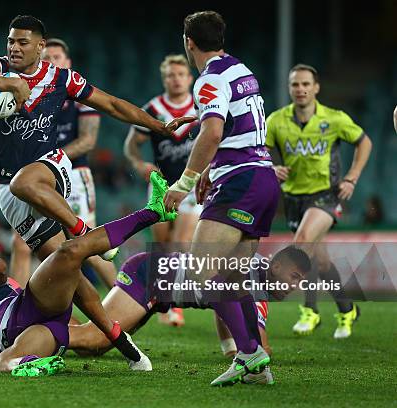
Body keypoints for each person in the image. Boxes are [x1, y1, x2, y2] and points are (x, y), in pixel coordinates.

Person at [0, 15, 189, 366]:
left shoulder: (60, 77)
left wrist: (158, 125)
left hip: (51, 168)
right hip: (10, 194)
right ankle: (126, 347)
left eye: (22, 42)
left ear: (40, 47)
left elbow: (110, 104)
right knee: (71, 272)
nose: (14, 48)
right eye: (11, 41)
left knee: (27, 183)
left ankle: (83, 229)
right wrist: (7, 85)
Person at [0, 172, 177, 375]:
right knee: (0, 365)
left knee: (67, 252)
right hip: (36, 334)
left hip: (34, 303)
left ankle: (151, 213)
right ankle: (37, 363)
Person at [162, 11, 279, 386]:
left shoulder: (208, 79)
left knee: (200, 270)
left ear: (188, 42)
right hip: (262, 178)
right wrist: (197, 123)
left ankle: (248, 351)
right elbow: (233, 120)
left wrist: (185, 180)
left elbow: (213, 133)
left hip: (239, 182)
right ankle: (256, 367)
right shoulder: (241, 70)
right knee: (233, 276)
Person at [68, 245, 313, 384]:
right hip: (150, 277)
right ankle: (37, 321)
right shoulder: (253, 280)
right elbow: (260, 348)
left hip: (160, 285)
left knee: (90, 348)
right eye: (294, 277)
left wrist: (230, 347)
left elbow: (223, 306)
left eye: (302, 281)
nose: (296, 286)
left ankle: (56, 319)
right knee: (95, 339)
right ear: (277, 266)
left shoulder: (256, 270)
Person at [265, 64, 372, 339]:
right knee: (320, 262)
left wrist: (352, 177)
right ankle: (347, 310)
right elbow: (260, 151)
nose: (300, 89)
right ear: (289, 88)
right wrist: (271, 167)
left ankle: (309, 310)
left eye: (305, 84)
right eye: (295, 85)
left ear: (316, 88)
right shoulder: (276, 120)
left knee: (302, 243)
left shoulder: (334, 119)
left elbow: (364, 142)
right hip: (293, 198)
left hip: (326, 195)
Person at [9, 37, 116, 288]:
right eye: (45, 58)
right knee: (21, 242)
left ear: (67, 63)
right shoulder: (30, 96)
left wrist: (49, 161)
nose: (50, 62)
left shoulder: (79, 96)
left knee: (87, 244)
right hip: (39, 179)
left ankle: (126, 295)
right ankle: (12, 307)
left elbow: (88, 140)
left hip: (73, 174)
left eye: (55, 58)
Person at [125, 54, 201, 327]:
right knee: (162, 245)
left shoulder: (201, 107)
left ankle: (174, 304)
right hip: (162, 185)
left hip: (192, 185)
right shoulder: (154, 109)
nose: (176, 79)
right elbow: (131, 144)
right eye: (170, 75)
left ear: (189, 78)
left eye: (181, 74)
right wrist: (138, 163)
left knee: (181, 242)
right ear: (164, 78)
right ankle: (162, 298)